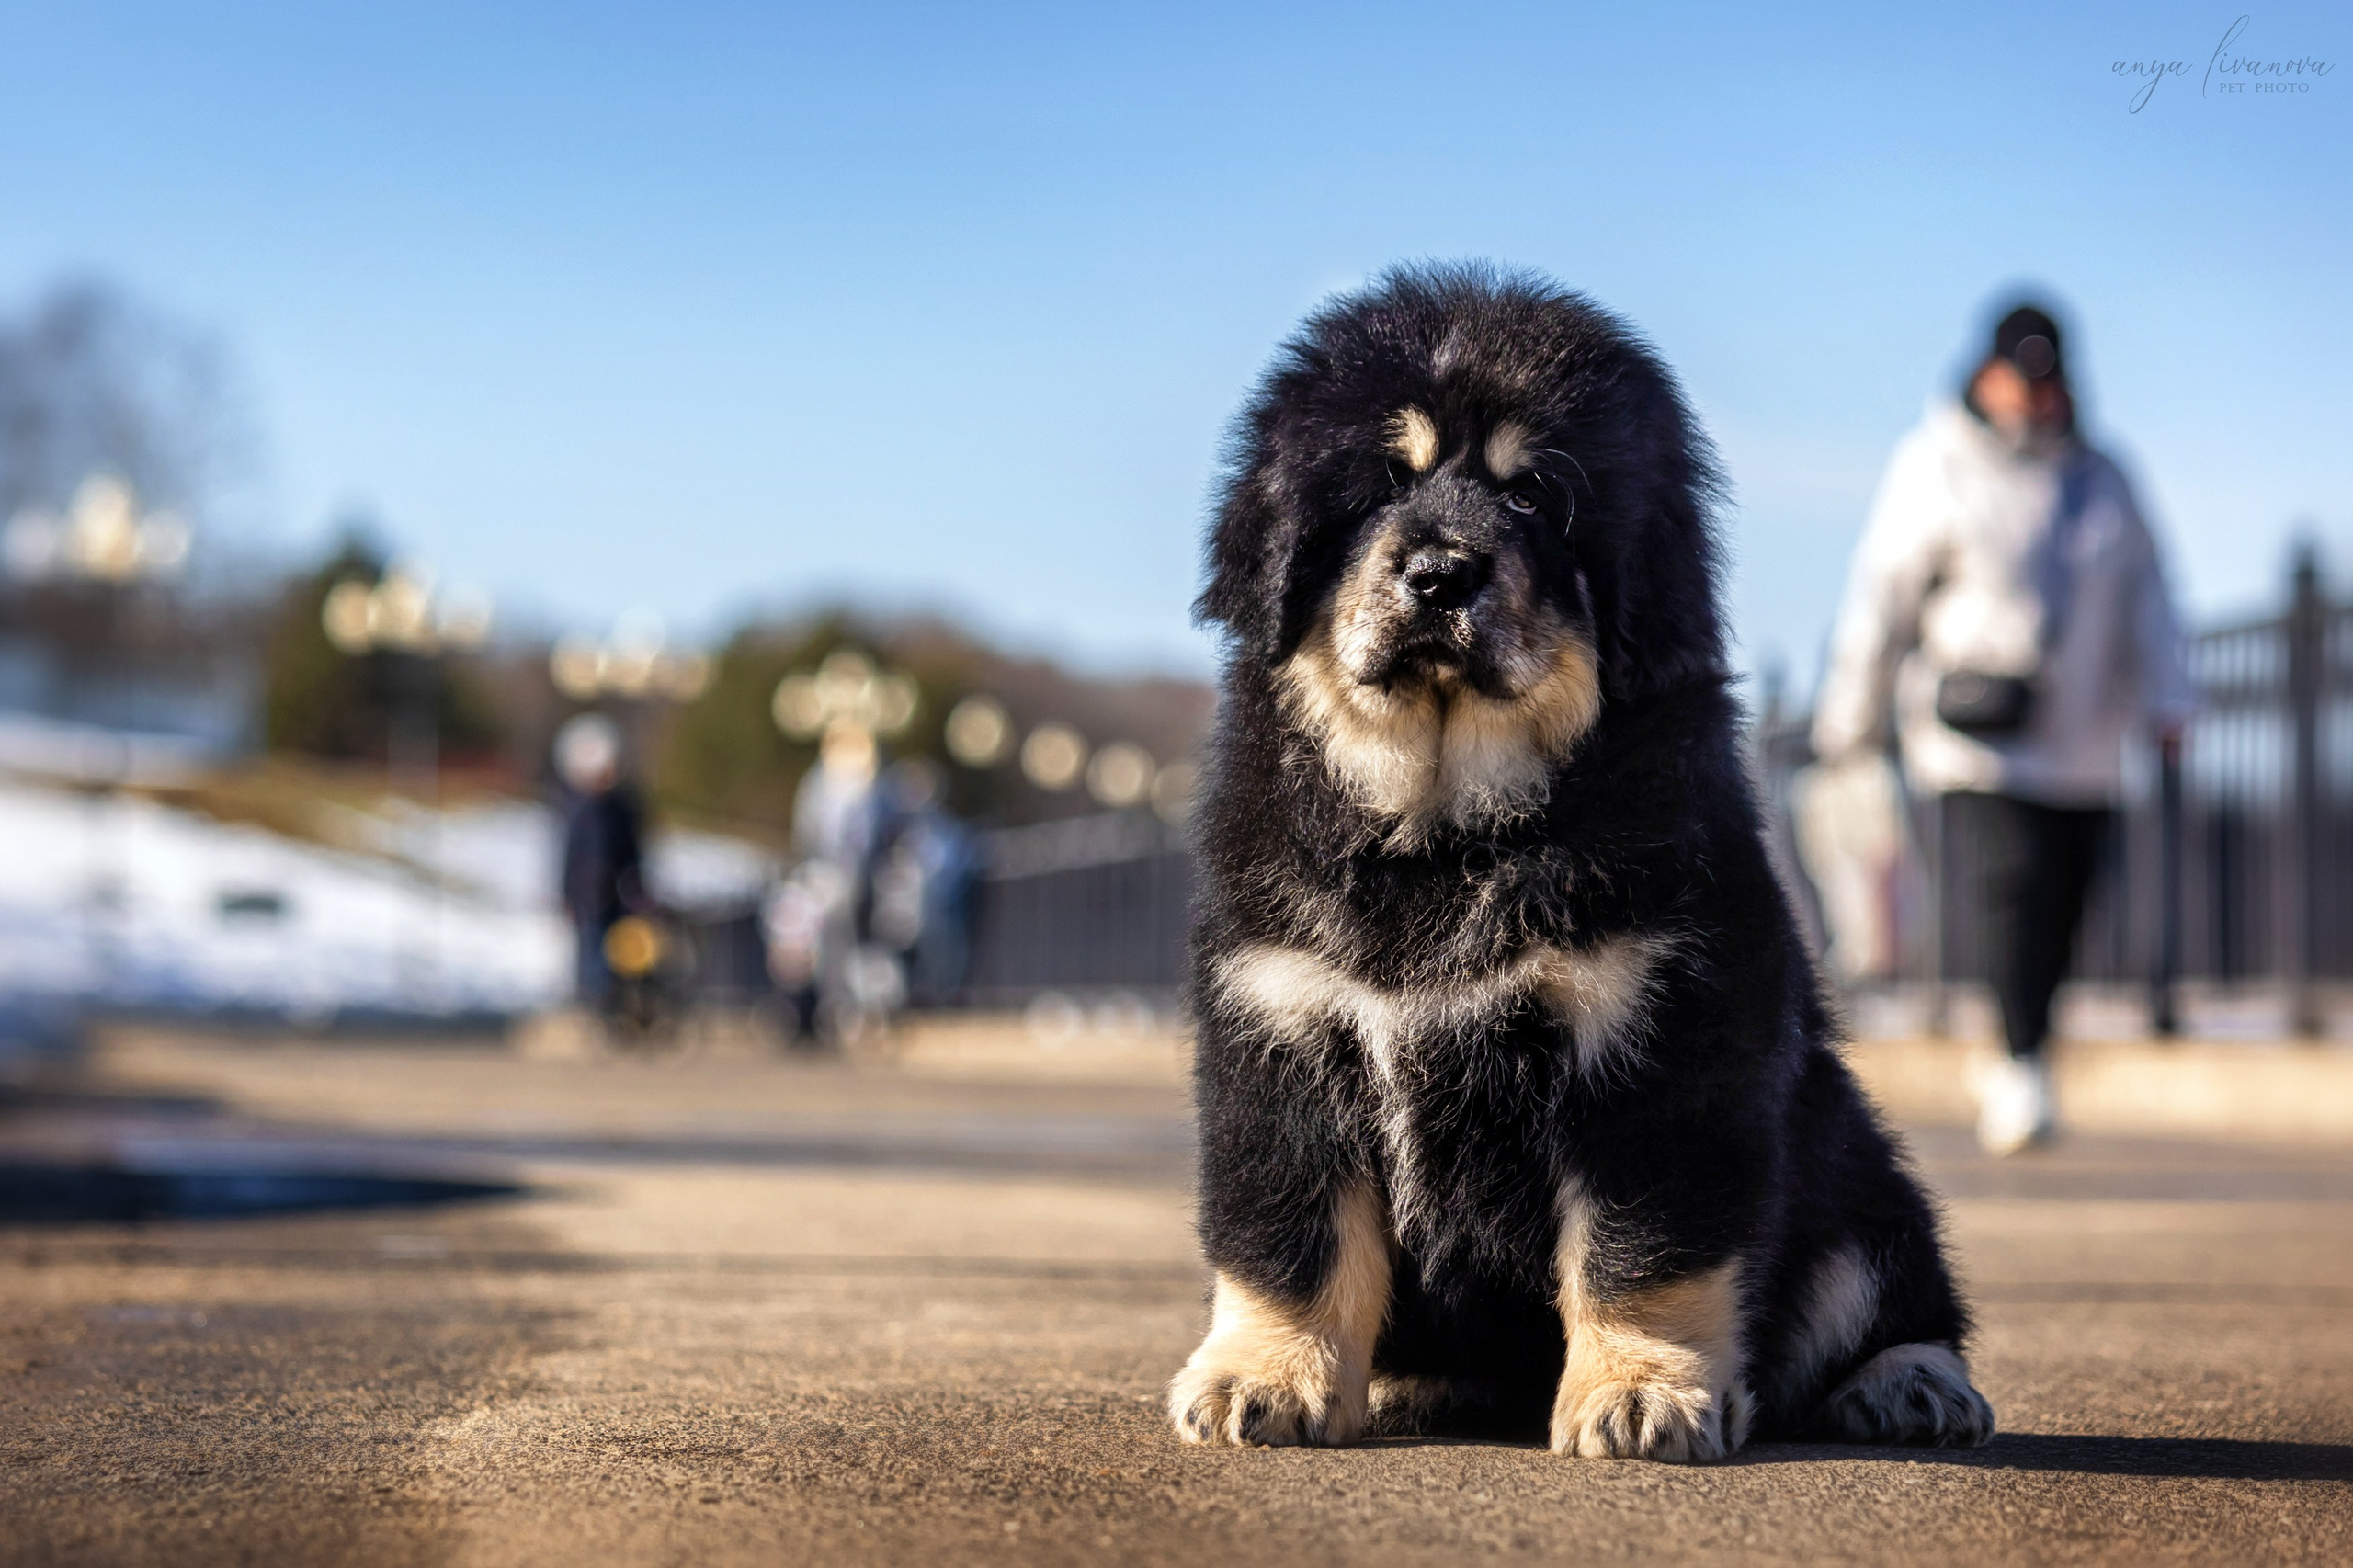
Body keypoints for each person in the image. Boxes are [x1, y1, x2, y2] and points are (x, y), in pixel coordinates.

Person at [1813, 301, 2196, 1154]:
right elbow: (1883, 596)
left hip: (2087, 737)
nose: (2034, 396)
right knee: (2011, 886)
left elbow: (2153, 594)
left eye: (2047, 378)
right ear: (1985, 374)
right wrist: (1852, 715)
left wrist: (2171, 700)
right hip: (1977, 736)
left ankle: (2022, 1045)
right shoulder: (1935, 464)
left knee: (2066, 901)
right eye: (2019, 377)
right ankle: (2020, 1063)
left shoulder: (2105, 477)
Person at [554, 713, 646, 1018]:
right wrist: (566, 892)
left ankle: (615, 1009)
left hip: (619, 898)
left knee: (620, 954)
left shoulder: (622, 808)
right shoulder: (579, 811)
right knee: (589, 955)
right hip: (587, 898)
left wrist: (637, 887)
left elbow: (634, 853)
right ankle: (592, 1008)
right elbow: (569, 855)